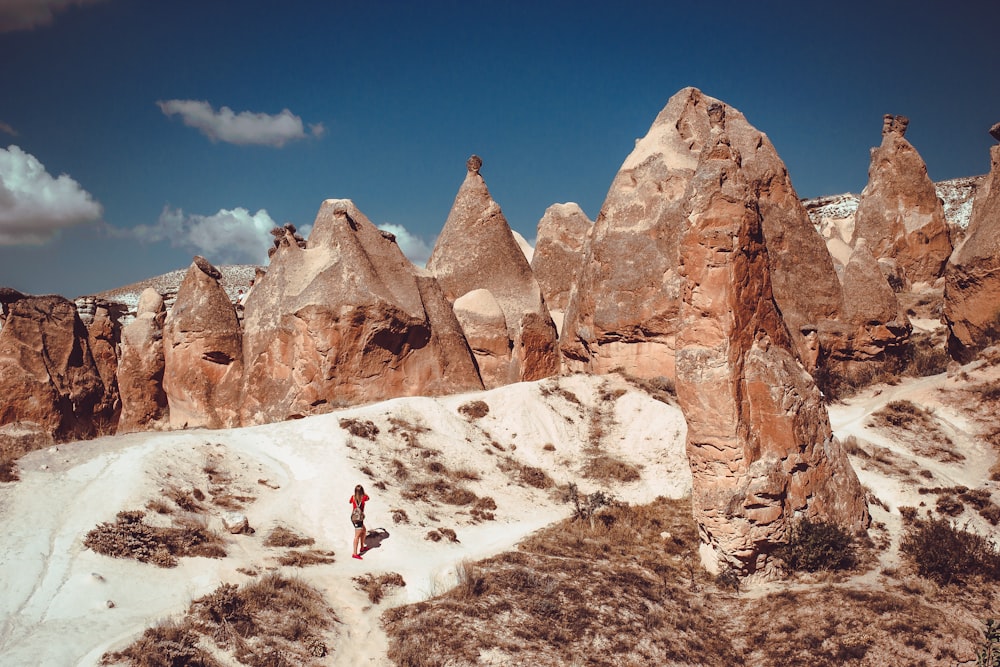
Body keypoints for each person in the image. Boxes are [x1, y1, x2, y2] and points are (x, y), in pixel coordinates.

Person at [350, 484, 369, 560]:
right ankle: (354, 553)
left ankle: (362, 547)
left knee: (364, 530)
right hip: (359, 519)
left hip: (354, 517)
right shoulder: (364, 497)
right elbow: (368, 498)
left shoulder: (353, 497)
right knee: (357, 536)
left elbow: (349, 502)